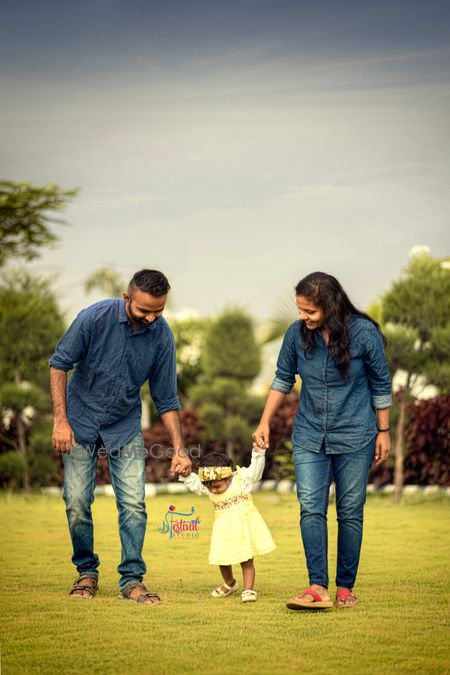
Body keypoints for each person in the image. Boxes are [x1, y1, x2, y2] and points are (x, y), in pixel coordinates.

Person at [49, 269, 191, 605]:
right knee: (77, 503)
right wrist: (60, 421)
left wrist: (180, 449)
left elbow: (166, 398)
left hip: (123, 426)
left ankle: (132, 579)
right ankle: (86, 571)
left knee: (133, 504)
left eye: (158, 311)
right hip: (80, 421)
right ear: (127, 298)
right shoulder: (94, 318)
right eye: (144, 310)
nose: (151, 318)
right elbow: (59, 364)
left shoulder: (161, 336)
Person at [252, 271, 392, 610]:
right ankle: (317, 586)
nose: (303, 316)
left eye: (310, 311)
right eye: (300, 310)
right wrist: (264, 421)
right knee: (311, 509)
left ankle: (345, 587)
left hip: (356, 434)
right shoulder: (296, 335)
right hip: (309, 434)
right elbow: (282, 378)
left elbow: (381, 384)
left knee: (350, 512)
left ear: (330, 306)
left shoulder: (364, 333)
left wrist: (384, 432)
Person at [180, 449, 276, 602]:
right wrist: (186, 475)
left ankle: (248, 590)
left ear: (229, 476)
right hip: (223, 530)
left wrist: (258, 453)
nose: (213, 490)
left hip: (243, 528)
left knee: (246, 560)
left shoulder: (241, 480)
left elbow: (256, 471)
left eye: (217, 486)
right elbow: (196, 484)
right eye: (209, 487)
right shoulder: (210, 484)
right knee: (222, 559)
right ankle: (230, 583)